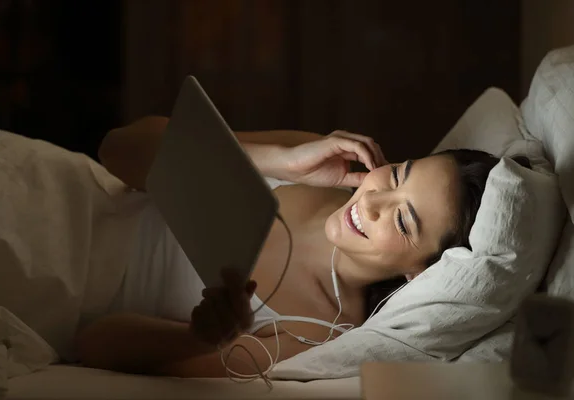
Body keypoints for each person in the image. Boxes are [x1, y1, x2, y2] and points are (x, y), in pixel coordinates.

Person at [71, 116, 530, 378]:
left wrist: (199, 337)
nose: (371, 202)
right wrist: (280, 161)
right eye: (395, 176)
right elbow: (118, 149)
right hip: (69, 196)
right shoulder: (320, 160)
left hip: (61, 285)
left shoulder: (319, 330)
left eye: (402, 219)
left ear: (419, 273)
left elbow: (94, 346)